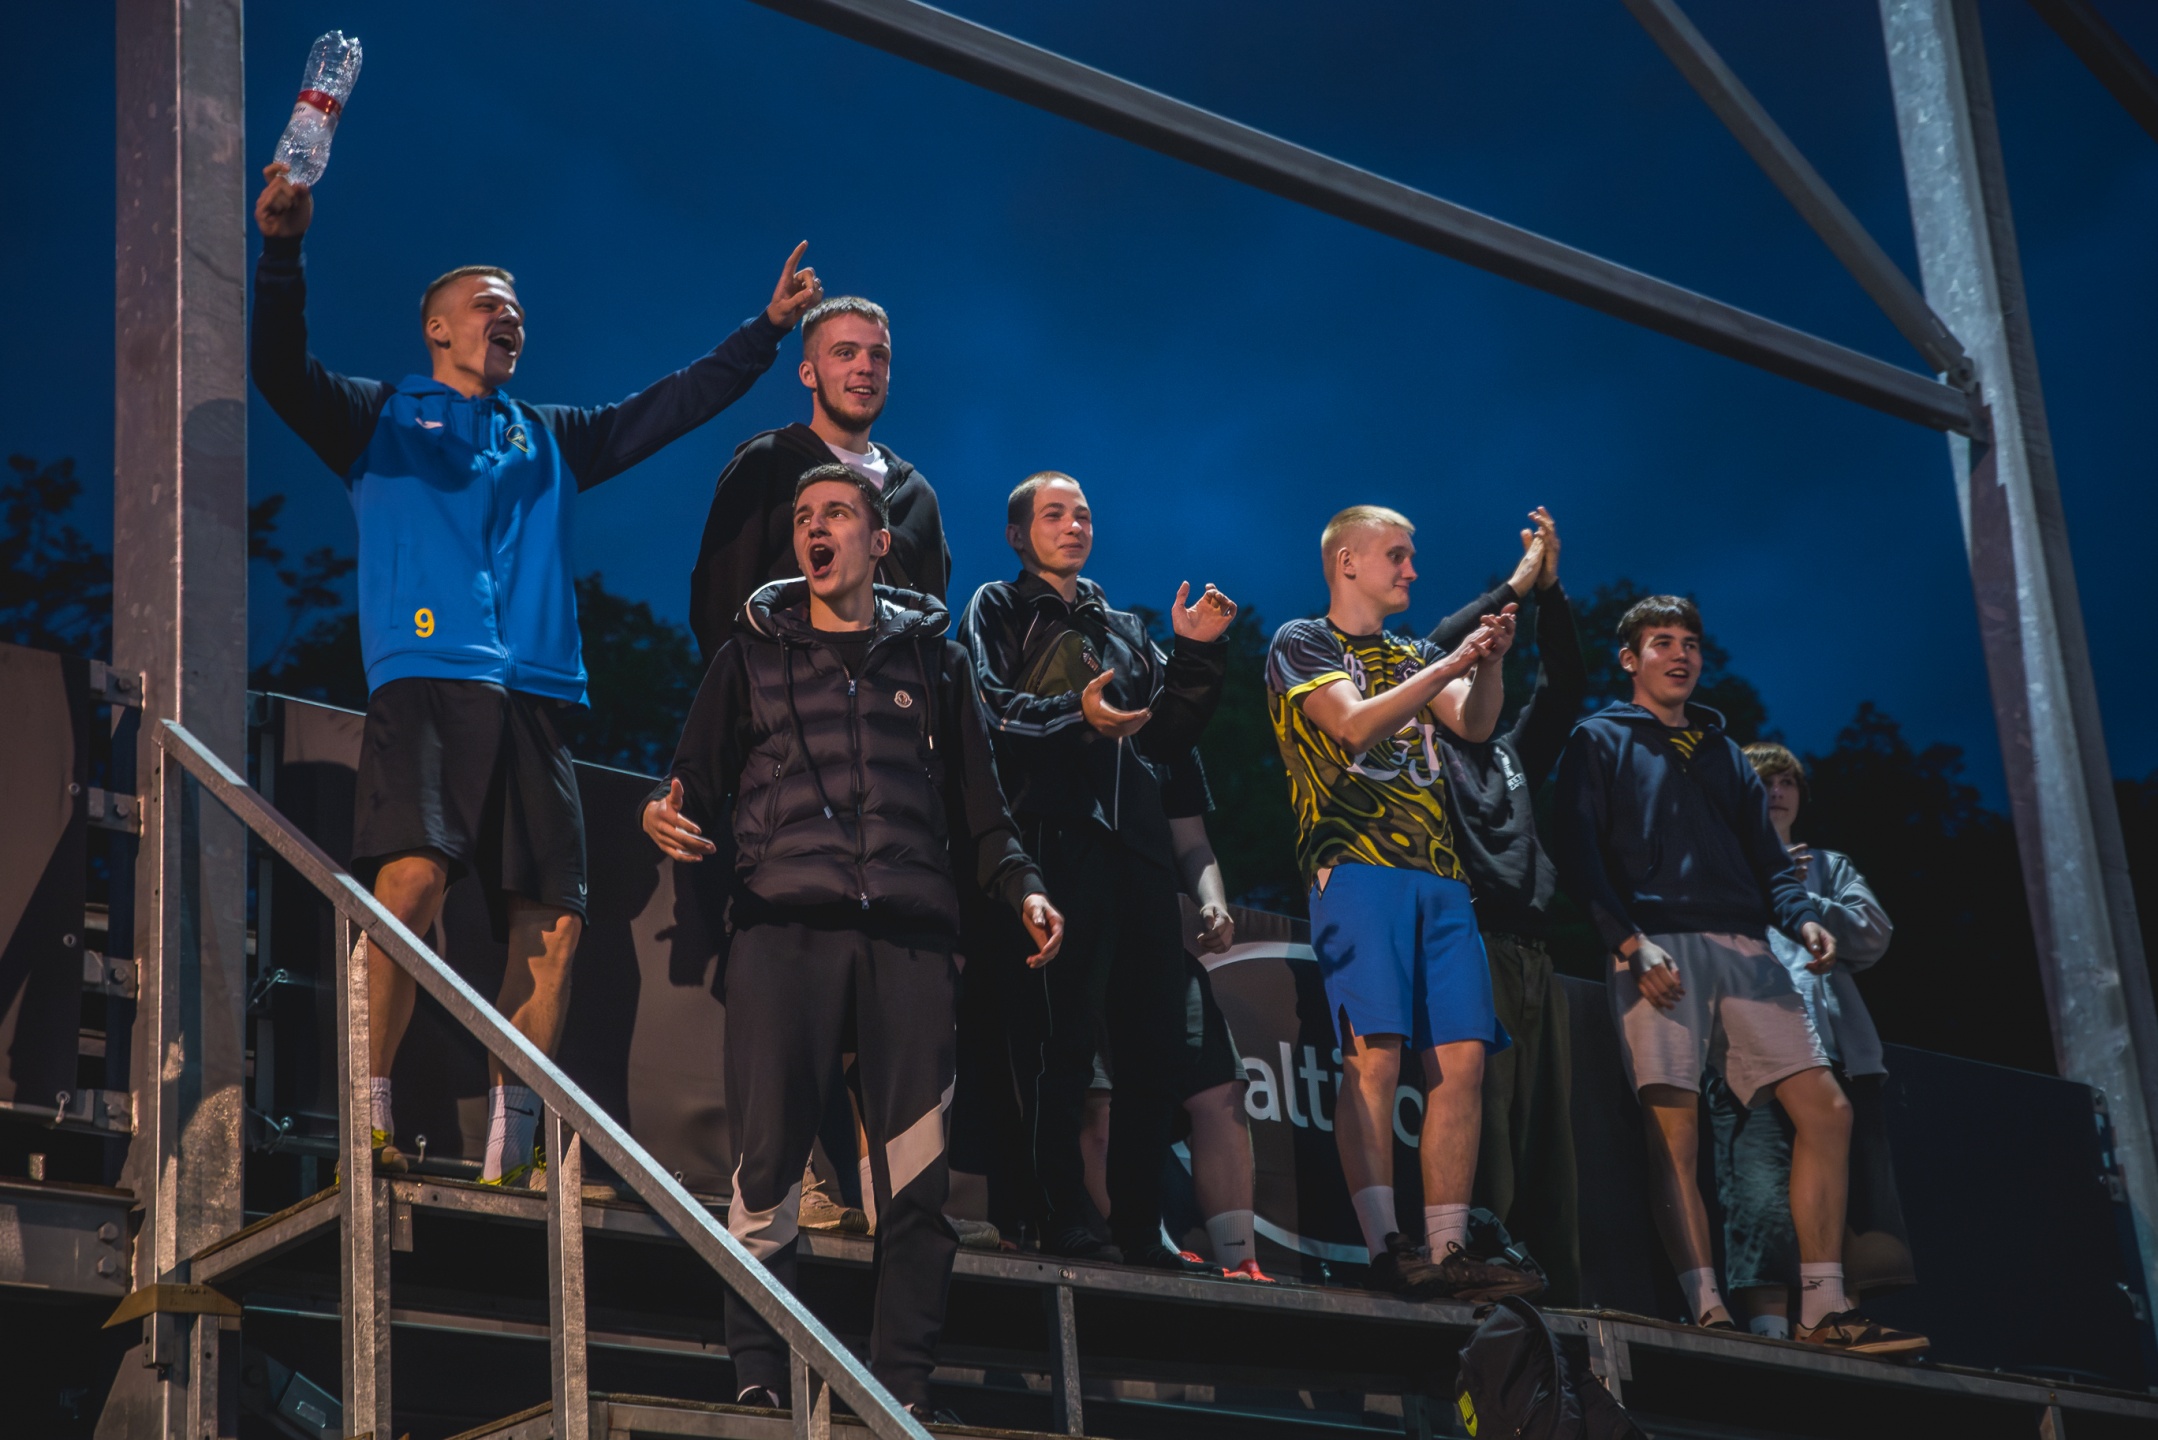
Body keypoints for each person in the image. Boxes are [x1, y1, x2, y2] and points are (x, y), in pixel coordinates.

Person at [248, 161, 822, 1185]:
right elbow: (281, 371)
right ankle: (367, 1123)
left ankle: (510, 1155)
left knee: (552, 924)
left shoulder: (551, 437)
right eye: (487, 305)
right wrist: (283, 254)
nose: (508, 317)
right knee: (410, 885)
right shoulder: (380, 417)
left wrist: (767, 331)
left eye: (516, 308)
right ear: (437, 328)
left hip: (538, 697)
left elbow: (672, 405)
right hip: (428, 681)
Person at [640, 464, 1064, 1417]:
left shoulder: (938, 664)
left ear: (879, 542)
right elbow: (688, 778)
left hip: (909, 942)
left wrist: (1025, 886)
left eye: (835, 513)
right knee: (766, 1171)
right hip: (782, 932)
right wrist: (661, 811)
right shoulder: (747, 656)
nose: (814, 528)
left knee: (914, 1182)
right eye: (803, 518)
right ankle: (760, 1375)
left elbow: (984, 815)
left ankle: (901, 1390)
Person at [1550, 595, 1925, 1355]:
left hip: (1747, 946)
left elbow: (1769, 862)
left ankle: (1823, 1308)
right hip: (1656, 945)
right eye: (1662, 642)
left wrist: (1802, 919)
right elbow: (1576, 851)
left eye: (1690, 642)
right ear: (1630, 659)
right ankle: (1706, 1306)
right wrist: (1628, 944)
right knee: (1675, 1136)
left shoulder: (1723, 751)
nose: (1680, 655)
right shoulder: (1598, 738)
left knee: (1828, 1110)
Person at [958, 472, 1238, 1270]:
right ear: (1018, 534)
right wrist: (1071, 713)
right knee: (1058, 1044)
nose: (1074, 524)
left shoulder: (1124, 627)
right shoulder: (997, 605)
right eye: (1054, 514)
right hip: (1052, 843)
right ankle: (1056, 1214)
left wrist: (1196, 653)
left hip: (1137, 857)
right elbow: (988, 708)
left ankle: (1139, 1223)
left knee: (1152, 1053)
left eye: (1082, 513)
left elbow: (1167, 739)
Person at [1263, 504, 1539, 1303]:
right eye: (1397, 555)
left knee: (1463, 1059)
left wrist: (1487, 664)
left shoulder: (1413, 652)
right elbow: (1352, 728)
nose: (1412, 570)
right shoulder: (1301, 641)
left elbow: (1475, 727)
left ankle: (1447, 1248)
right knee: (1374, 1055)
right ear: (1347, 561)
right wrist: (1453, 662)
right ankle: (1386, 1245)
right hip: (1356, 867)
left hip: (1442, 877)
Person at [1425, 507, 1585, 1304]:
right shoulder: (1422, 747)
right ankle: (1482, 1278)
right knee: (1483, 1124)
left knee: (1545, 1135)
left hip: (1535, 954)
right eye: (1457, 674)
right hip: (1472, 941)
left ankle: (1558, 1293)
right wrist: (1516, 584)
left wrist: (1551, 593)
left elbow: (1566, 685)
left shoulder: (1512, 752)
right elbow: (1432, 646)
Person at [1710, 743, 1915, 1338]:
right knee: (1759, 1187)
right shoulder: (1719, 859)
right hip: (1750, 1047)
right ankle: (1770, 1331)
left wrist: (1805, 899)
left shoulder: (1829, 864)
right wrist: (1768, 882)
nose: (1776, 792)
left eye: (1788, 782)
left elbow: (1873, 936)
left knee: (1847, 1199)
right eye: (1763, 781)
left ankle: (1838, 1321)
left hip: (1839, 1051)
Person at [688, 295, 949, 661]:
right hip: (782, 693)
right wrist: (754, 693)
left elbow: (932, 624)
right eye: (846, 353)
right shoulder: (766, 463)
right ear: (808, 373)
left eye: (879, 355)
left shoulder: (917, 495)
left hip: (894, 695)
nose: (866, 367)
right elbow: (718, 605)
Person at [1074, 814, 1273, 1280]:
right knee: (1097, 1101)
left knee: (1219, 1088)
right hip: (1076, 936)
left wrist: (1214, 902)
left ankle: (1241, 1261)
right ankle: (1151, 1245)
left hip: (1156, 938)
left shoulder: (1163, 763)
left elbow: (1191, 840)